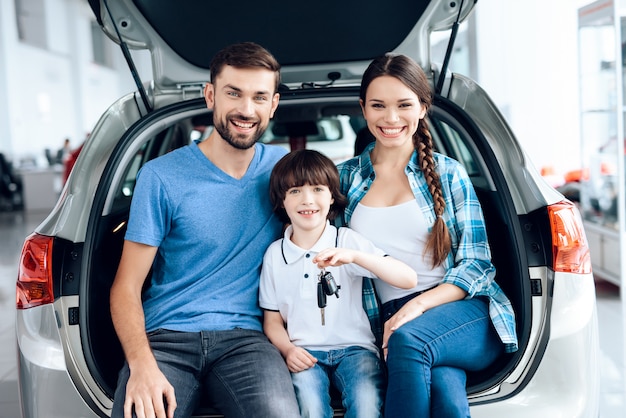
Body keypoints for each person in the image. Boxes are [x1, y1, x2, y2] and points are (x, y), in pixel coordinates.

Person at [109, 42, 300, 418]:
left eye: (259, 97)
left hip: (248, 340)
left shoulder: (287, 171)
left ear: (273, 105)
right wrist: (142, 366)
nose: (246, 110)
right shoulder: (161, 176)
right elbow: (126, 287)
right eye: (234, 93)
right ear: (210, 95)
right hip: (167, 340)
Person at [337, 54, 519, 417]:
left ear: (422, 107)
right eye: (378, 106)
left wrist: (418, 305)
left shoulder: (449, 174)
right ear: (363, 109)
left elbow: (477, 264)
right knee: (448, 400)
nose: (391, 118)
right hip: (387, 317)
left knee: (410, 339)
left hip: (461, 311)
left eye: (404, 105)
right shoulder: (344, 178)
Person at [260, 149, 417, 418]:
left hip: (356, 351)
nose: (307, 200)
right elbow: (272, 319)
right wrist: (287, 350)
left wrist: (355, 257)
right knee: (309, 407)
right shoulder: (275, 254)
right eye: (295, 191)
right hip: (305, 352)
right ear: (281, 201)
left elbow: (408, 278)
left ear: (332, 196)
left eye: (318, 189)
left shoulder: (346, 241)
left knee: (367, 404)